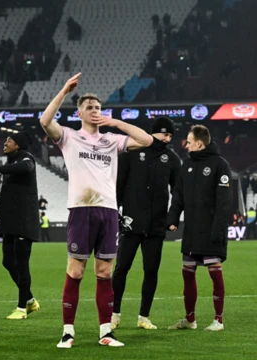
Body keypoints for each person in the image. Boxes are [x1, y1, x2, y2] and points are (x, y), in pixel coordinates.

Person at [39, 73, 153, 348]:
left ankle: (106, 332)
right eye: (89, 108)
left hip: (108, 211)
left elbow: (147, 140)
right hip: (81, 209)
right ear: (79, 113)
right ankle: (68, 332)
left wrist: (115, 123)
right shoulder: (69, 137)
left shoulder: (112, 140)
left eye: (98, 108)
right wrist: (65, 90)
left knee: (104, 272)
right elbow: (44, 121)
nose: (95, 111)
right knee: (76, 271)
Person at [111, 116, 181, 331]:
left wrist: (172, 218)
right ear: (154, 132)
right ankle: (114, 313)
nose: (167, 138)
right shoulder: (131, 153)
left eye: (170, 135)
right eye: (164, 134)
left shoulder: (172, 159)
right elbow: (119, 186)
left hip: (156, 225)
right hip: (131, 222)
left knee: (151, 271)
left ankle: (144, 316)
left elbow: (177, 193)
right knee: (122, 268)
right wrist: (116, 214)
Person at [167, 125, 232, 332]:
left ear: (199, 143)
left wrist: (219, 230)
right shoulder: (186, 165)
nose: (185, 144)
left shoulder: (220, 165)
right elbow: (178, 195)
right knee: (187, 273)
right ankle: (190, 319)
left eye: (188, 140)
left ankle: (218, 320)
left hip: (211, 230)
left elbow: (224, 202)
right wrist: (173, 218)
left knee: (215, 274)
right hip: (192, 230)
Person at [0, 132, 41, 320]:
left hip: (24, 219)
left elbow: (25, 167)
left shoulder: (26, 158)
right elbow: (8, 195)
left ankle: (21, 309)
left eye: (9, 140)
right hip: (11, 219)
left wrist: (0, 169)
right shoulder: (12, 165)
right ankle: (30, 300)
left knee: (22, 264)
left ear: (18, 145)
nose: (5, 142)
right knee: (8, 261)